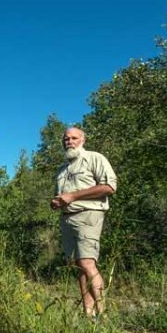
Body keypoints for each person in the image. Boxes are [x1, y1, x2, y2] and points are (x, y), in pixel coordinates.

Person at [50, 127, 117, 318]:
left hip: (89, 215)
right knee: (78, 265)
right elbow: (64, 197)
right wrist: (56, 202)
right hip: (67, 219)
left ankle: (103, 315)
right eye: (65, 139)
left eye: (73, 138)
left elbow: (109, 187)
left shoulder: (95, 158)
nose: (69, 142)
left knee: (87, 262)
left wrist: (73, 196)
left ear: (83, 140)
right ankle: (88, 314)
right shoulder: (62, 169)